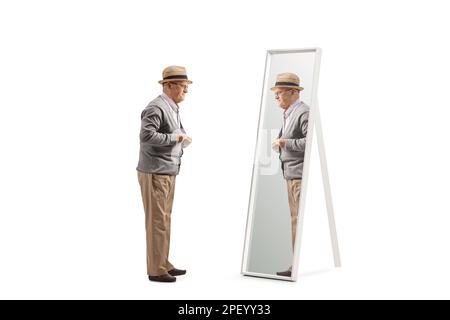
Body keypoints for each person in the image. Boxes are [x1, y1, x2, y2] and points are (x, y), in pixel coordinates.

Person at [136, 65, 193, 283]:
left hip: (167, 171)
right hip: (155, 173)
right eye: (182, 86)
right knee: (157, 222)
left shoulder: (172, 107)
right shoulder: (156, 107)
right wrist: (176, 139)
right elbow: (146, 136)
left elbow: (175, 132)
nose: (186, 90)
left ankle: (163, 263)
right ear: (168, 86)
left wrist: (182, 137)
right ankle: (156, 270)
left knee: (164, 220)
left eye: (186, 86)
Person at [271, 73, 310, 277]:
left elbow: (308, 143)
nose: (276, 96)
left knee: (298, 220)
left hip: (299, 175)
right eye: (275, 93)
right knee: (295, 219)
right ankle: (295, 265)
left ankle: (297, 266)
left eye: (279, 92)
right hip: (292, 174)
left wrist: (284, 143)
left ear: (293, 92)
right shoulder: (289, 113)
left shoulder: (303, 112)